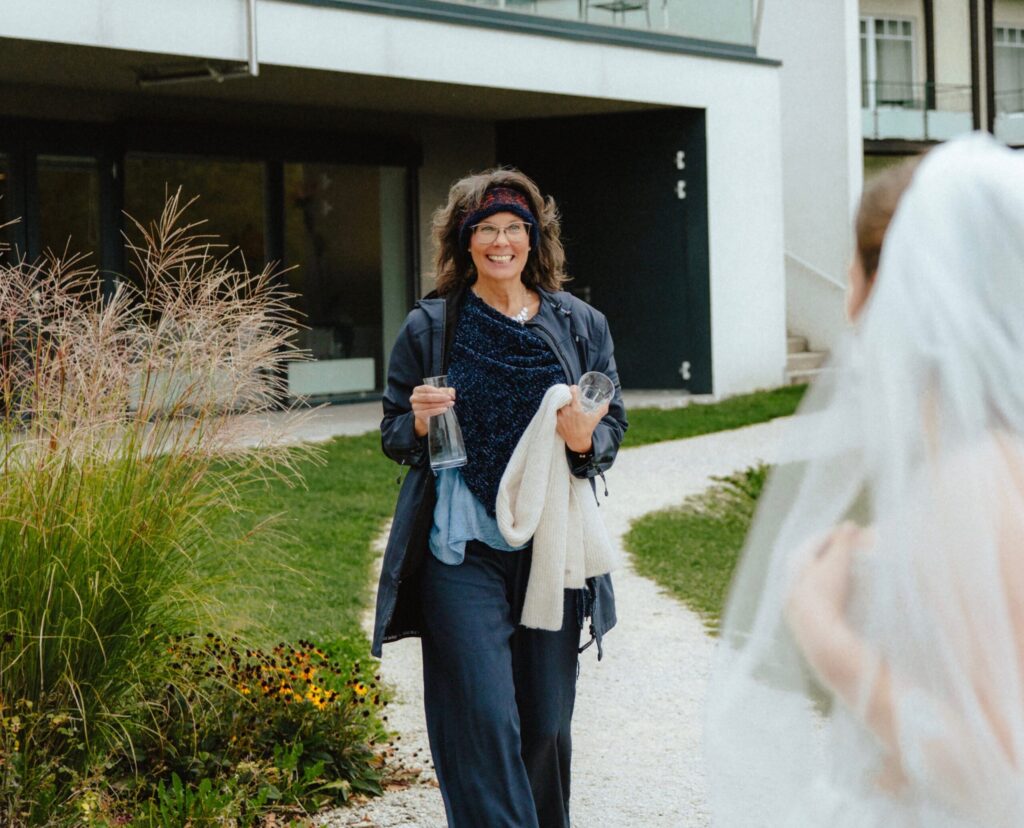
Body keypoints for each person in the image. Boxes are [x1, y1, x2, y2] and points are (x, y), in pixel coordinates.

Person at [705, 133, 1024, 827]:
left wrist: (825, 633)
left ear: (888, 286)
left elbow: (999, 770)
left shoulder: (973, 480)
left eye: (852, 262)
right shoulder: (981, 463)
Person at [371, 169, 627, 828]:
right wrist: (422, 423)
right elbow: (395, 431)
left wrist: (581, 441)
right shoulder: (433, 325)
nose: (501, 240)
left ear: (534, 237)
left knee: (544, 723)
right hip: (463, 551)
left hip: (552, 548)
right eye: (485, 229)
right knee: (481, 717)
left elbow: (610, 429)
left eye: (514, 227)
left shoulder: (580, 325)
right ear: (465, 240)